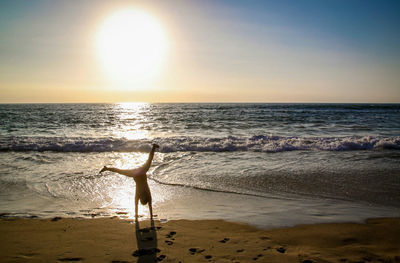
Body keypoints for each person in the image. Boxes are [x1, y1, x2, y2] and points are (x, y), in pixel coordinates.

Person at [99, 143, 159, 220]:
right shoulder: (142, 194)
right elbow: (138, 205)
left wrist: (143, 217)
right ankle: (107, 168)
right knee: (120, 171)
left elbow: (147, 205)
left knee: (148, 161)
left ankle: (153, 147)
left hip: (140, 172)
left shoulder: (146, 194)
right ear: (142, 199)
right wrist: (142, 217)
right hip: (138, 173)